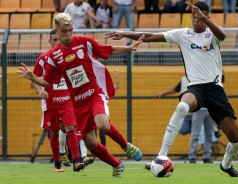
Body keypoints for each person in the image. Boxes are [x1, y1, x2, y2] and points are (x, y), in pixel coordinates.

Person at [104, 1, 238, 177]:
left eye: (199, 17)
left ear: (206, 17)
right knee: (183, 106)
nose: (195, 21)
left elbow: (222, 36)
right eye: (193, 17)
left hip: (215, 89)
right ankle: (161, 155)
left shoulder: (213, 33)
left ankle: (226, 164)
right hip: (196, 88)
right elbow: (148, 36)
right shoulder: (182, 34)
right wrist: (124, 33)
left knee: (237, 141)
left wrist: (205, 19)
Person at [17, 13, 144, 178]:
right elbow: (48, 81)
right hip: (77, 103)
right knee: (91, 143)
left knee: (103, 124)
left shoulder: (84, 42)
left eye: (70, 30)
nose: (68, 35)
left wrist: (129, 48)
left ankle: (126, 146)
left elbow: (107, 50)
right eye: (64, 31)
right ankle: (116, 164)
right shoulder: (54, 56)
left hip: (94, 94)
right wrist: (33, 77)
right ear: (56, 31)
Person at [32, 30, 85, 172]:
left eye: (58, 39)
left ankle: (77, 161)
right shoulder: (43, 59)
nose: (57, 42)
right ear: (50, 41)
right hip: (50, 101)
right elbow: (35, 77)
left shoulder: (69, 58)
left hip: (67, 100)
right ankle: (57, 164)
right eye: (54, 39)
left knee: (71, 128)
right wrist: (40, 91)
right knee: (53, 132)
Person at [156, 76, 216, 164]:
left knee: (209, 134)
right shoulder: (185, 79)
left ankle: (207, 156)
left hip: (210, 108)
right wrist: (162, 94)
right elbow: (175, 89)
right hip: (197, 109)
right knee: (193, 133)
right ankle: (192, 156)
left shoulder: (210, 77)